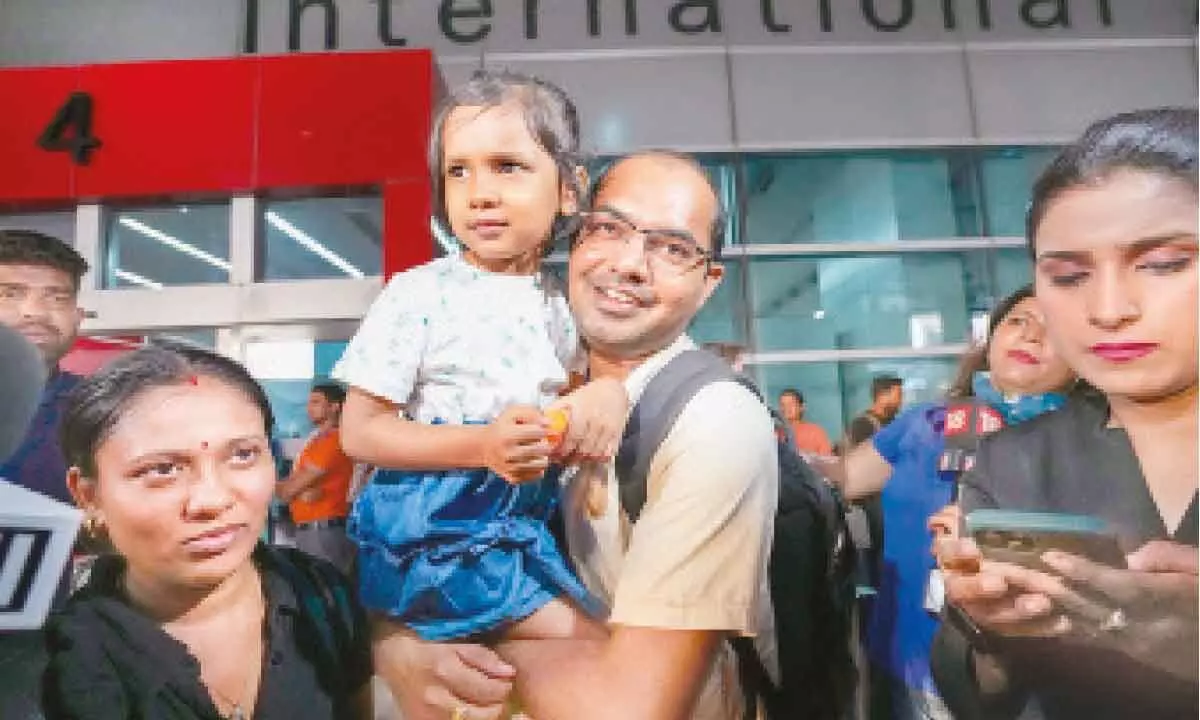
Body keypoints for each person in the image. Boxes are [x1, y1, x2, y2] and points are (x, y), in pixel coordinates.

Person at [373, 151, 779, 720]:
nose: (630, 264)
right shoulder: (523, 391)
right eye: (609, 228)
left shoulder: (713, 422)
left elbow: (627, 709)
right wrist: (394, 645)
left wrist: (429, 648)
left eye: (672, 248)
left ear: (709, 282)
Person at [333, 70, 624, 693]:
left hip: (523, 525)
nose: (479, 193)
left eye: (507, 166)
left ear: (570, 190)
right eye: (458, 171)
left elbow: (581, 387)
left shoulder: (564, 298)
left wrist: (603, 392)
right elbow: (359, 431)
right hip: (441, 531)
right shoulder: (419, 293)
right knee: (600, 652)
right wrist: (480, 446)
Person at [934, 107, 1198, 719]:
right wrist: (989, 632)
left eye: (1162, 264)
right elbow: (972, 689)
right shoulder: (1012, 460)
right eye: (1069, 274)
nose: (1108, 309)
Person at [42, 342, 374, 719]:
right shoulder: (61, 661)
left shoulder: (321, 596)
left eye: (242, 455)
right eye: (162, 469)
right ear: (89, 495)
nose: (212, 500)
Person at [827, 285, 1076, 720]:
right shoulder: (925, 423)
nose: (1031, 335)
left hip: (1013, 678)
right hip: (903, 664)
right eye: (1017, 321)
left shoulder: (1087, 444)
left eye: (1052, 328)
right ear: (991, 340)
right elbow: (843, 477)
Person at [0, 229, 88, 720]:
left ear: (77, 315)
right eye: (10, 293)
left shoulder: (101, 411)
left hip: (42, 645)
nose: (34, 311)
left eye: (56, 297)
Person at [275, 382, 356, 574]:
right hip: (310, 530)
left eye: (316, 402)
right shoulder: (315, 442)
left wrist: (291, 489)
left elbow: (287, 491)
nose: (309, 408)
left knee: (329, 595)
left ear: (335, 406)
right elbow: (289, 489)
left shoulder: (333, 441)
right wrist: (298, 490)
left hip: (324, 532)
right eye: (309, 402)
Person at [846, 374, 904, 450]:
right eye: (898, 396)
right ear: (883, 395)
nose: (900, 401)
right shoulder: (862, 424)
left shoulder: (892, 422)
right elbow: (864, 458)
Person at [778, 388, 833, 456]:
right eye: (782, 405)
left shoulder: (816, 432)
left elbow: (826, 460)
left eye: (790, 404)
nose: (786, 408)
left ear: (802, 407)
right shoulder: (776, 433)